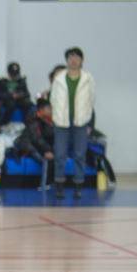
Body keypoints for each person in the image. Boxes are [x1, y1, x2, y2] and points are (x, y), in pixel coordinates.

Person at [49, 47, 95, 200]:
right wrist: (56, 117)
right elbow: (53, 99)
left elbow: (91, 100)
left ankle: (78, 186)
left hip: (81, 122)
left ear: (82, 60)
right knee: (60, 155)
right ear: (66, 60)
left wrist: (88, 122)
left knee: (80, 155)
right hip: (61, 122)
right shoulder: (59, 78)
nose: (74, 60)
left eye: (77, 57)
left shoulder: (88, 78)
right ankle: (59, 186)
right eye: (70, 57)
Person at [15, 98, 56, 187]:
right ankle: (44, 184)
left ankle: (50, 183)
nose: (51, 111)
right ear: (41, 110)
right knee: (47, 160)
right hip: (28, 146)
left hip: (40, 145)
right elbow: (36, 138)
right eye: (49, 109)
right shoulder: (33, 119)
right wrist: (47, 150)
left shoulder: (48, 120)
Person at [0, 62, 32, 126]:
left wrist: (20, 95)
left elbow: (27, 93)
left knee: (28, 103)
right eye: (13, 74)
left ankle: (27, 124)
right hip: (7, 100)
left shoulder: (21, 81)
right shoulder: (2, 81)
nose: (14, 76)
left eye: (16, 74)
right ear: (8, 73)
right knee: (10, 104)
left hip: (19, 100)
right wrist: (10, 95)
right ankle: (4, 123)